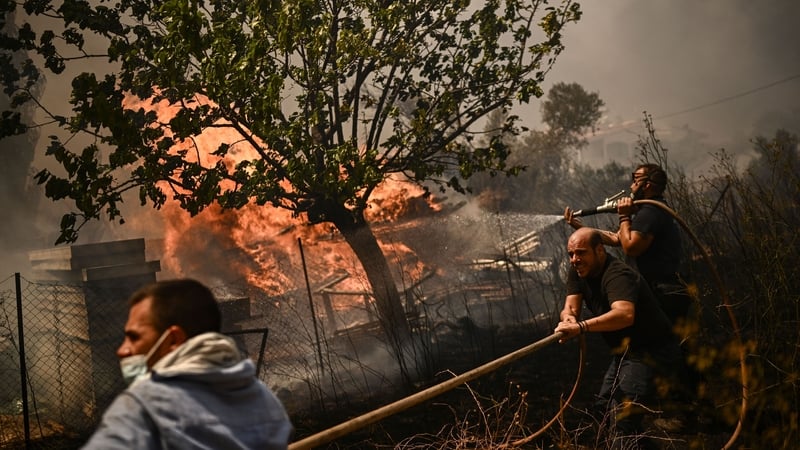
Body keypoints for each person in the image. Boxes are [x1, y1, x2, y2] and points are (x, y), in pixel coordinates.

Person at [83, 279, 293, 449]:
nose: (122, 350)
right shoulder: (262, 399)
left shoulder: (143, 407)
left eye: (134, 337)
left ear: (173, 340)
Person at [555, 228, 686, 446]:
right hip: (627, 352)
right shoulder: (579, 270)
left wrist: (581, 327)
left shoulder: (618, 275)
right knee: (604, 411)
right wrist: (568, 317)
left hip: (653, 351)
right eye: (571, 254)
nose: (574, 259)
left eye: (581, 253)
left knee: (622, 420)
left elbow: (624, 315)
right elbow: (570, 306)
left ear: (599, 250)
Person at [564, 163, 692, 330]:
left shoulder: (650, 211)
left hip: (662, 293)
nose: (631, 185)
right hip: (660, 291)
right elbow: (619, 238)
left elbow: (630, 247)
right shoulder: (649, 210)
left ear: (646, 184)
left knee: (666, 343)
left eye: (635, 179)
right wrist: (584, 231)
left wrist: (624, 216)